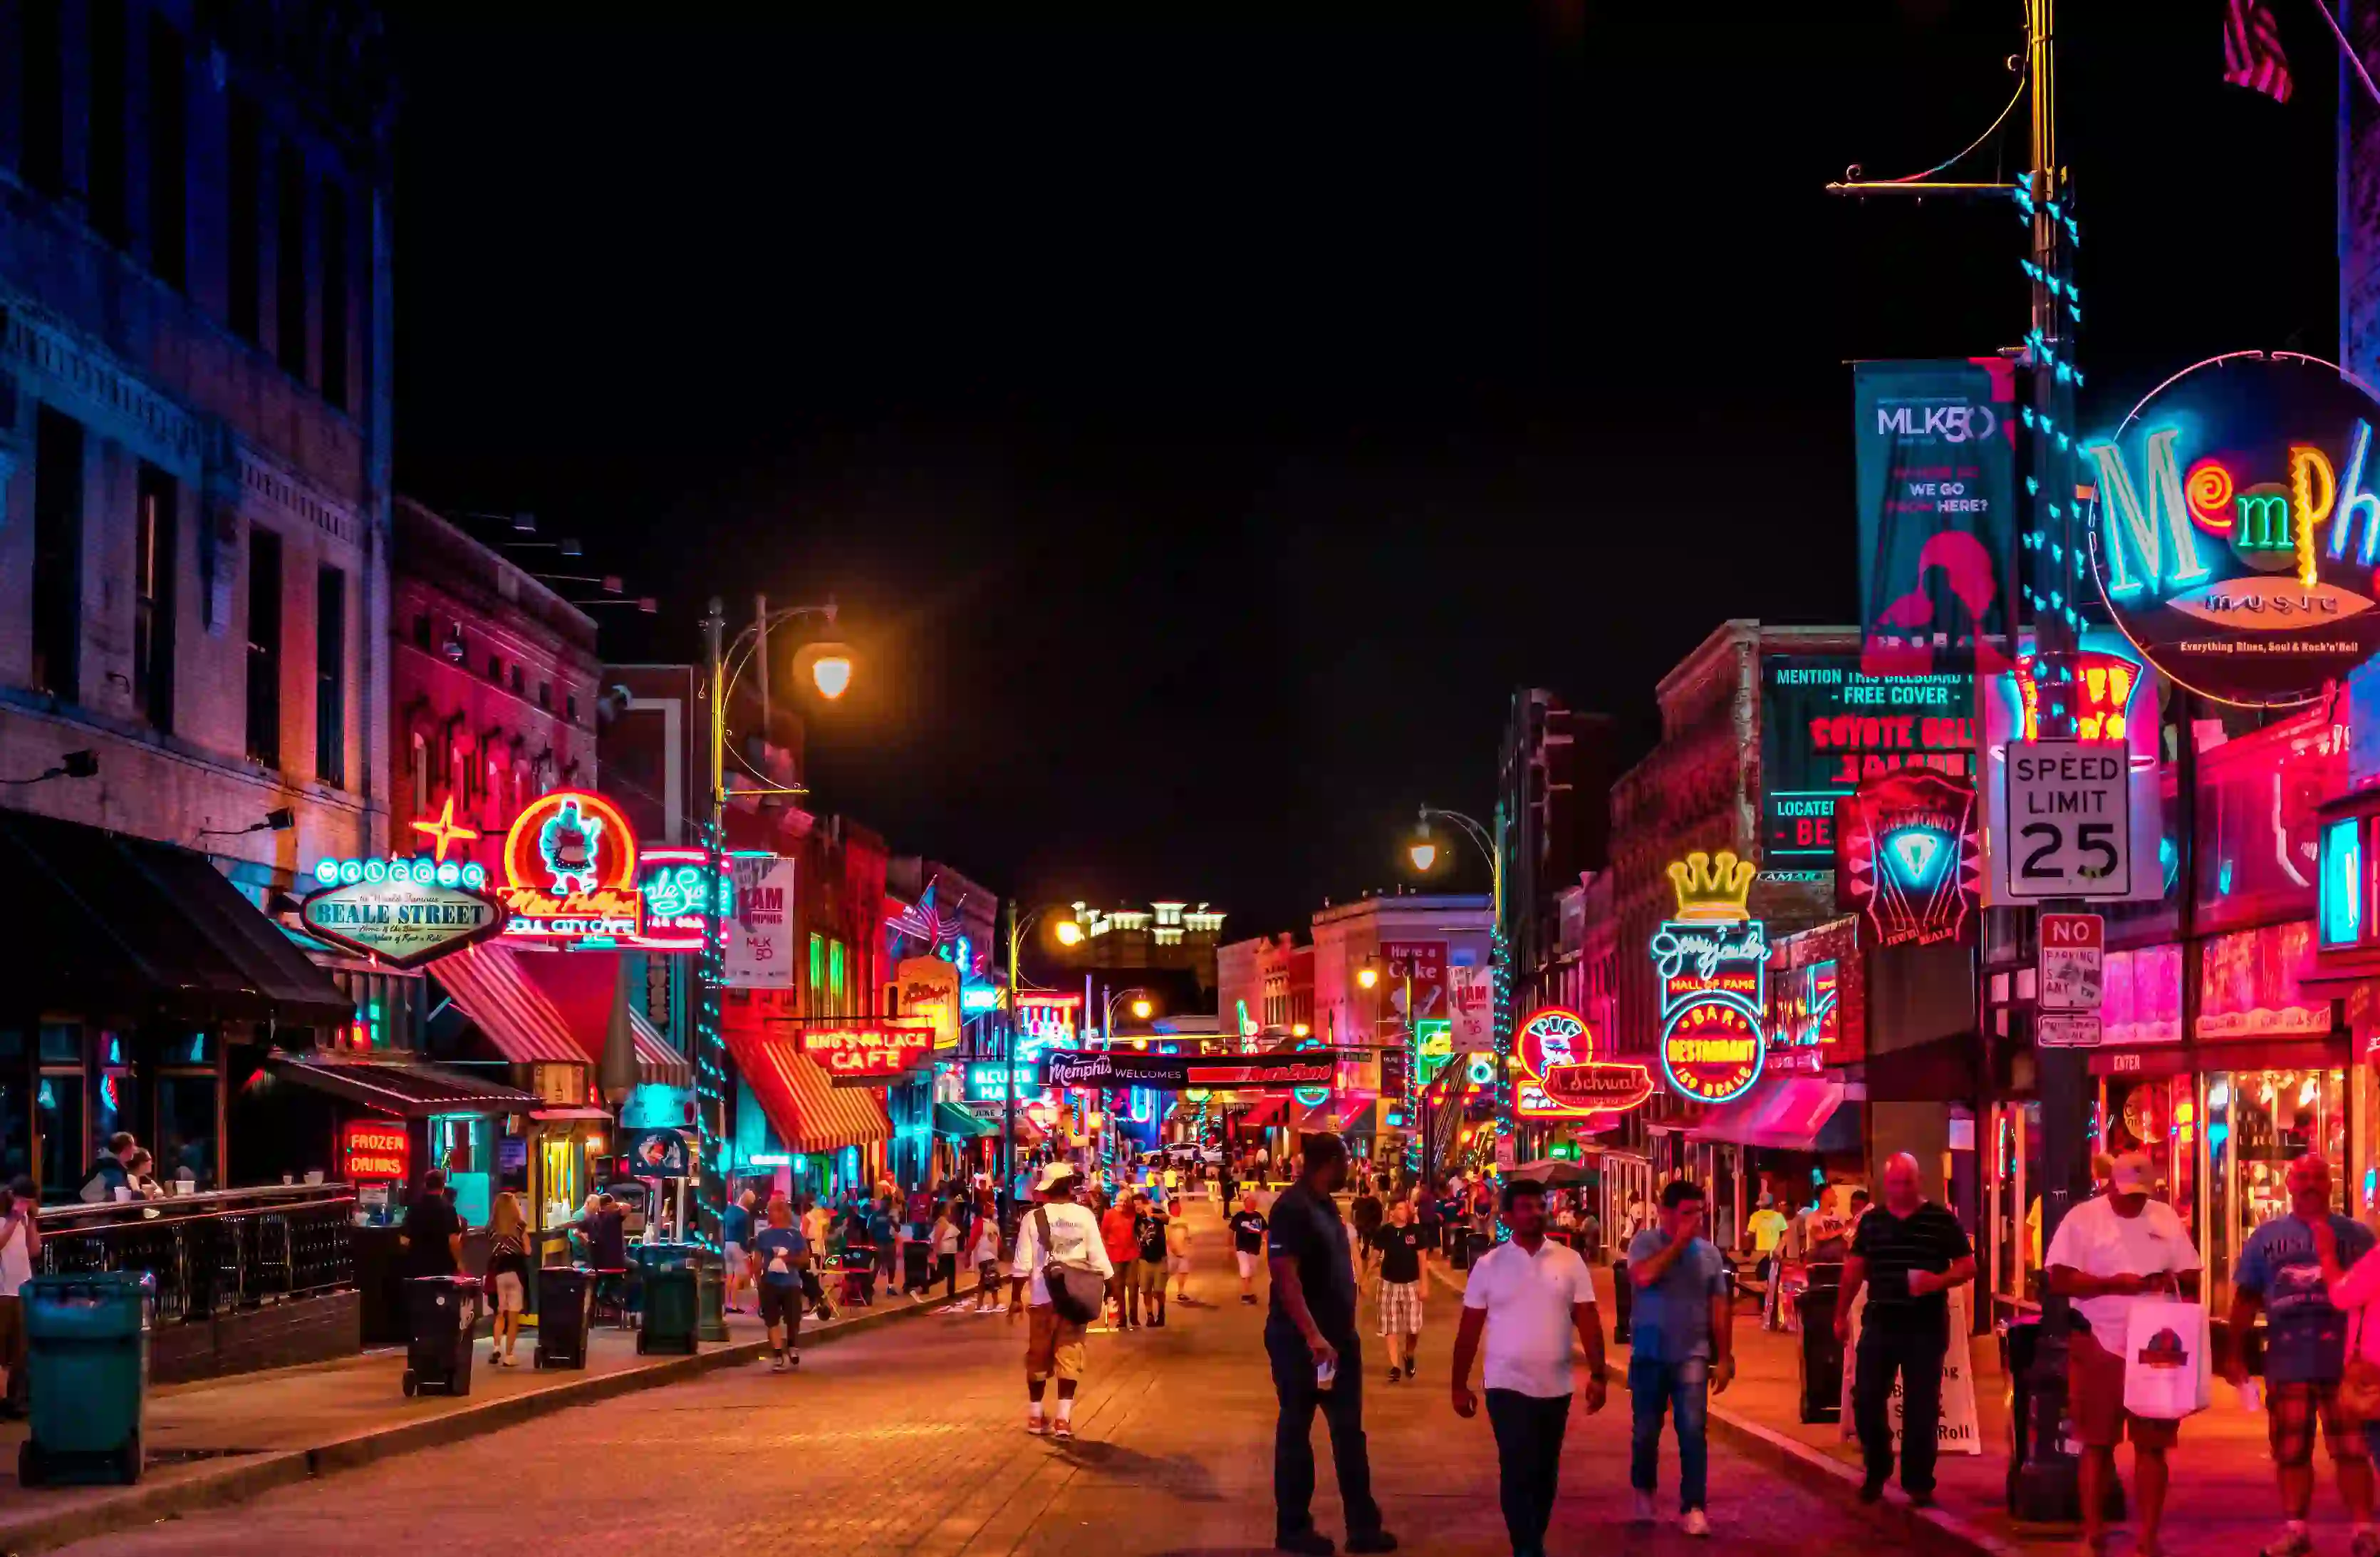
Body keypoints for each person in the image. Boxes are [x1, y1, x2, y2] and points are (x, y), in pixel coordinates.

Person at [2044, 1150, 2200, 1557]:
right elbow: (2059, 1280)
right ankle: (2093, 1533)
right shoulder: (2083, 1219)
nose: (2134, 1202)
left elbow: (2190, 1271)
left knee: (2153, 1445)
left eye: (2140, 1194)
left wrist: (2165, 1278)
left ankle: (2147, 1537)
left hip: (2155, 1344)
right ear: (2110, 1183)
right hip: (2100, 1341)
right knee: (2096, 1442)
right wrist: (2113, 1284)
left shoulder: (2164, 1217)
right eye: (2127, 1193)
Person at [2223, 1153, 2379, 1557]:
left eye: (2318, 1178)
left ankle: (2364, 1529)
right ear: (2289, 1185)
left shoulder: (2358, 1237)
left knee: (2353, 1449)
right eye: (2302, 1178)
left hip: (2346, 1362)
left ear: (2331, 1185)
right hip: (2287, 1359)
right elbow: (2246, 1296)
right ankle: (2296, 1530)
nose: (2310, 1185)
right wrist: (2234, 1352)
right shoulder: (2264, 1237)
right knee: (2291, 1451)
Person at [1450, 1178, 1607, 1557]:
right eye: (1526, 1207)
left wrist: (1599, 1374)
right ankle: (1527, 1547)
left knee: (1544, 1472)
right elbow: (1469, 1329)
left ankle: (1531, 1535)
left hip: (1555, 1386)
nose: (1535, 1213)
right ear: (1507, 1216)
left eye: (1540, 1206)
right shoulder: (1489, 1265)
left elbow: (1587, 1317)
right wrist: (1459, 1384)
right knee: (1517, 1466)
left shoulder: (1569, 1261)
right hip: (1506, 1385)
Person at [1266, 1132, 1397, 1555]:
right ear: (1331, 1162)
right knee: (1296, 1432)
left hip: (1338, 1343)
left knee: (1348, 1434)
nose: (1351, 1169)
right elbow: (1285, 1276)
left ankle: (1362, 1528)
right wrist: (1313, 1336)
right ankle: (1294, 1530)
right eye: (1346, 1161)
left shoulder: (1325, 1206)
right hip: (1303, 1344)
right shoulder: (1292, 1208)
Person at [1836, 1152, 1976, 1508]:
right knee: (1866, 1397)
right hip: (1881, 1318)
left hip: (1924, 1323)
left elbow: (1968, 1265)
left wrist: (1937, 1281)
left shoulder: (1940, 1220)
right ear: (1886, 1184)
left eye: (1907, 1183)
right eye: (1895, 1183)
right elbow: (1854, 1268)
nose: (1900, 1189)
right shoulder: (1873, 1222)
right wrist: (1839, 1315)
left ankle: (1918, 1480)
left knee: (1922, 1404)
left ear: (1919, 1181)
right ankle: (1878, 1465)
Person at [1627, 1179, 1733, 1537]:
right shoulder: (1645, 1243)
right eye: (1687, 1213)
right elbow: (1644, 1276)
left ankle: (1694, 1505)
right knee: (1645, 1431)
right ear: (1665, 1213)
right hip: (1649, 1352)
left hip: (1692, 1353)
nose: (1695, 1220)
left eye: (1699, 1213)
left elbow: (1719, 1306)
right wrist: (1679, 1243)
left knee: (1692, 1431)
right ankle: (1644, 1491)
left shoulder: (1710, 1255)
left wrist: (1725, 1355)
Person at [1009, 1162, 1113, 1440]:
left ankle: (1035, 1414)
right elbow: (1098, 1256)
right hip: (1075, 1297)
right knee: (1070, 1355)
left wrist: (1015, 1298)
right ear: (1069, 1186)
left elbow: (1022, 1263)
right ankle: (1063, 1420)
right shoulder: (1085, 1215)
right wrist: (1111, 1288)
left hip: (1043, 1297)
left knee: (1038, 1356)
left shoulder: (1033, 1218)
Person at [1373, 1196, 1429, 1383]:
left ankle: (1409, 1353)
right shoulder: (1384, 1232)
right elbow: (1374, 1255)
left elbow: (1422, 1259)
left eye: (1405, 1208)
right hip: (1388, 1283)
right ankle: (1395, 1366)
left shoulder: (1415, 1231)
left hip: (1411, 1283)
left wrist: (1424, 1284)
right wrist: (1365, 1278)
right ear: (1392, 1213)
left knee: (1414, 1327)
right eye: (1399, 1208)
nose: (1404, 1211)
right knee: (1389, 1325)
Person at [752, 1196, 809, 1370]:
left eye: (772, 1210)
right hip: (770, 1283)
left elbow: (805, 1258)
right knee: (772, 1320)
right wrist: (758, 1280)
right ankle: (777, 1354)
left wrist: (788, 1259)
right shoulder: (763, 1236)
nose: (769, 1214)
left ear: (782, 1212)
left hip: (791, 1282)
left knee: (793, 1318)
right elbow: (757, 1260)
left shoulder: (795, 1235)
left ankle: (792, 1345)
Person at [0, 1179, 36, 1414]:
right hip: (3, 1292)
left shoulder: (23, 1220)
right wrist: (14, 1218)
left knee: (20, 1350)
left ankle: (15, 1400)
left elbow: (34, 1250)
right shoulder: (5, 1220)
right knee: (2, 1351)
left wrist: (31, 1220)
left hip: (22, 1290)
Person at [485, 1190, 531, 1367]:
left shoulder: (491, 1229)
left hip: (497, 1273)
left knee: (500, 1313)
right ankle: (509, 1355)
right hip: (516, 1272)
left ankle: (496, 1347)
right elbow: (527, 1251)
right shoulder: (520, 1226)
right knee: (513, 1317)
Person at [400, 1169, 464, 1278]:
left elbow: (404, 1239)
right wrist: (460, 1263)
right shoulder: (448, 1209)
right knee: (442, 1295)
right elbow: (453, 1241)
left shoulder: (414, 1208)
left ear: (425, 1185)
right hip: (442, 1267)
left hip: (418, 1265)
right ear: (443, 1186)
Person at [1745, 1196, 1789, 1331]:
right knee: (1774, 1285)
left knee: (1762, 1284)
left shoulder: (1755, 1217)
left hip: (1761, 1254)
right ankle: (1774, 1314)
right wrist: (1780, 1247)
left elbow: (1750, 1235)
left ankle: (1764, 1313)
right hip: (1775, 1254)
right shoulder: (1779, 1217)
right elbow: (1786, 1234)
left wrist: (1747, 1249)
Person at [1102, 1186, 1143, 1328]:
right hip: (1115, 1256)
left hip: (1131, 1254)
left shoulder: (1132, 1213)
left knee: (1133, 1287)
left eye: (1123, 1201)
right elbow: (1104, 1235)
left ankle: (1134, 1317)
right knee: (1118, 1288)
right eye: (1118, 1200)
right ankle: (1122, 1318)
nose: (1119, 1203)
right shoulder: (1109, 1215)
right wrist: (1108, 1250)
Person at [1136, 1191, 1171, 1327]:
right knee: (1145, 1290)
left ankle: (1161, 1313)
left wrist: (1152, 1215)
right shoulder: (1136, 1219)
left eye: (1140, 1205)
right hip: (1144, 1259)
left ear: (1146, 1204)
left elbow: (1167, 1219)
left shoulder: (1156, 1212)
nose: (1138, 1208)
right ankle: (1150, 1315)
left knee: (1159, 1290)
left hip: (1160, 1258)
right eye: (1135, 1206)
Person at [1230, 1189, 1269, 1306]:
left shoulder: (1258, 1216)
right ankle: (1245, 1294)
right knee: (1245, 1269)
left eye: (1254, 1202)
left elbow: (1265, 1230)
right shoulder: (1239, 1216)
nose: (1254, 1204)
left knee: (1251, 1271)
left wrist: (1267, 1241)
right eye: (1252, 1202)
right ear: (1246, 1203)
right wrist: (1230, 1247)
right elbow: (1232, 1231)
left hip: (1255, 1247)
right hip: (1242, 1247)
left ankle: (1249, 1292)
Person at [723, 1188, 757, 1314]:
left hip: (727, 1244)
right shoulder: (745, 1215)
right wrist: (747, 1250)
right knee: (738, 1277)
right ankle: (734, 1305)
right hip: (738, 1246)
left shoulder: (729, 1210)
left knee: (728, 1276)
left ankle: (726, 1303)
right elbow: (744, 1236)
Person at [79, 1131, 138, 1203]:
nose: (135, 1149)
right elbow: (85, 1194)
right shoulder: (109, 1168)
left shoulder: (112, 1166)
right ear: (125, 1148)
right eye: (132, 1146)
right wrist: (109, 1197)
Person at [970, 1197, 1005, 1312]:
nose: (993, 1208)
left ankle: (979, 1305)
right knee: (993, 1280)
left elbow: (998, 1241)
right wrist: (967, 1256)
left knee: (984, 1282)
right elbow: (972, 1240)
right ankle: (995, 1303)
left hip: (990, 1257)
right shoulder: (980, 1223)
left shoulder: (989, 1224)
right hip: (986, 1257)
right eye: (989, 1206)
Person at [931, 1199, 962, 1301]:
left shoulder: (947, 1221)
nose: (950, 1210)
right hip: (944, 1252)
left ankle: (951, 1293)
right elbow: (937, 1238)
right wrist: (935, 1252)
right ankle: (925, 1284)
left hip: (950, 1252)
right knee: (941, 1274)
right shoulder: (941, 1222)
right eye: (948, 1208)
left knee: (951, 1273)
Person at [1167, 1199, 1195, 1305]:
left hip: (1183, 1251)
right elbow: (1167, 1236)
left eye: (1178, 1206)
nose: (1178, 1208)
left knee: (1184, 1272)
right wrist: (1172, 1248)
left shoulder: (1184, 1220)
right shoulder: (1168, 1221)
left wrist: (1189, 1243)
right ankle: (1159, 1291)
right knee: (1168, 1272)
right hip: (1172, 1252)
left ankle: (1181, 1292)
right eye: (1175, 1207)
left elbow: (1187, 1235)